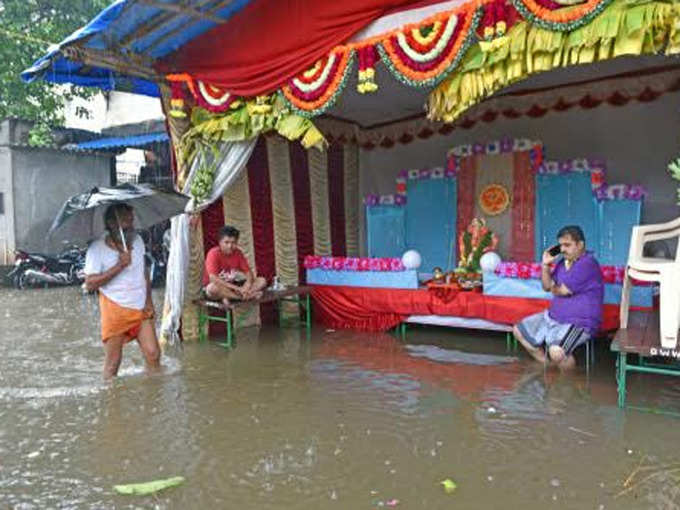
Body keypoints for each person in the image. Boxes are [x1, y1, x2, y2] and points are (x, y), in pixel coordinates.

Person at [84, 203, 161, 379]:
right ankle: (112, 403)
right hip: (115, 308)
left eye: (131, 219)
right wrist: (120, 265)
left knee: (153, 354)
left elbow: (144, 272)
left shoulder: (138, 241)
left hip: (141, 307)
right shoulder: (97, 248)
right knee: (113, 365)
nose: (130, 224)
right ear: (111, 223)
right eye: (125, 220)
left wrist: (149, 302)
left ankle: (154, 397)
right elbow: (90, 283)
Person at [513, 225, 604, 370]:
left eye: (567, 245)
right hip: (553, 317)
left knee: (556, 351)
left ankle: (568, 386)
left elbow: (562, 291)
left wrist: (553, 288)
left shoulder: (587, 263)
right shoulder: (563, 263)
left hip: (579, 322)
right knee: (519, 331)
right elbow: (546, 286)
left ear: (580, 245)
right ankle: (547, 366)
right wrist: (545, 265)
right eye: (560, 245)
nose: (562, 250)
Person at [203, 225, 267, 307]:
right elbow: (213, 279)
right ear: (220, 242)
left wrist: (246, 286)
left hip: (232, 287)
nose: (230, 246)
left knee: (262, 281)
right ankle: (242, 297)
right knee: (212, 288)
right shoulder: (213, 253)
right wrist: (238, 289)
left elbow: (249, 274)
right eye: (226, 242)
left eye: (233, 243)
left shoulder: (238, 253)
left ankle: (230, 296)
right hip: (217, 287)